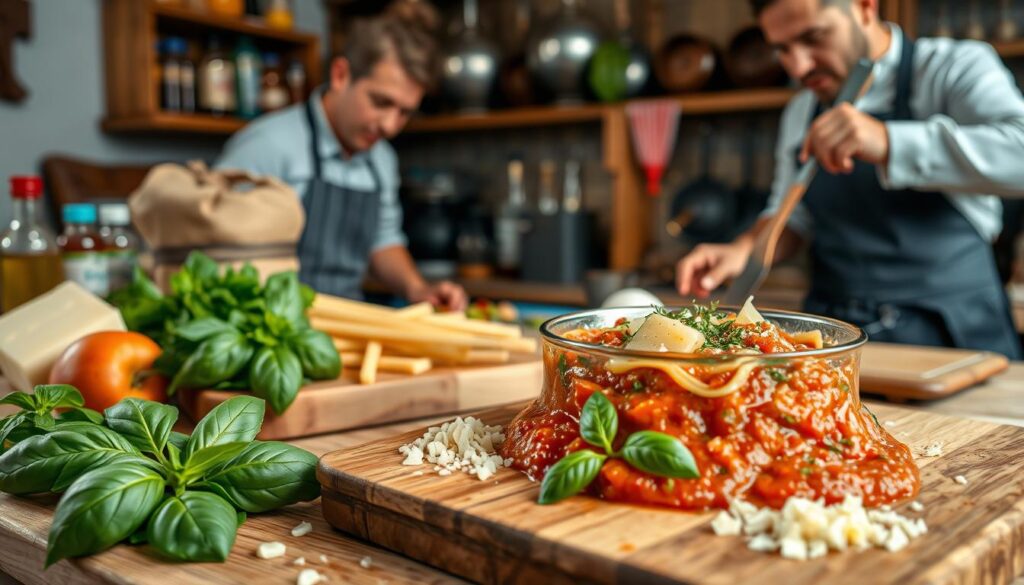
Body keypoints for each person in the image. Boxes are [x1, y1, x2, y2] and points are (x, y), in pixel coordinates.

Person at [676, 0, 1024, 358]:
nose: (799, 66)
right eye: (782, 49)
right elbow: (791, 214)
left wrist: (888, 141)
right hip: (837, 340)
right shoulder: (801, 112)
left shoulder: (951, 69)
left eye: (813, 37)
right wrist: (742, 250)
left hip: (956, 336)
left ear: (864, 7)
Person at [216, 0, 467, 311]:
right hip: (273, 336)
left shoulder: (382, 160)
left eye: (404, 113)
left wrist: (417, 288)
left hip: (348, 334)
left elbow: (383, 240)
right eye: (380, 102)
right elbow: (217, 251)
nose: (390, 125)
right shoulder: (267, 146)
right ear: (340, 74)